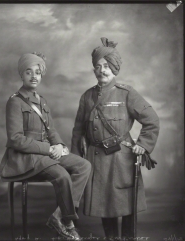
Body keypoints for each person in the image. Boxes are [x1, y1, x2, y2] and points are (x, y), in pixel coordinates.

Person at [71, 38, 160, 239]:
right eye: (97, 66)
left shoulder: (127, 93)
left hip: (122, 159)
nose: (102, 70)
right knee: (104, 204)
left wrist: (143, 145)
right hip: (97, 159)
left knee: (127, 203)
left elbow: (152, 120)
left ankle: (129, 238)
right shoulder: (87, 97)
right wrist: (75, 162)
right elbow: (78, 131)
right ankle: (111, 239)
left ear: (114, 68)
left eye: (106, 66)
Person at [0, 52, 91, 240]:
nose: (34, 76)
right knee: (62, 174)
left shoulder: (42, 101)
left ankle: (58, 216)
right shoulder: (14, 102)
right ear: (21, 75)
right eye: (29, 72)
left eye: (38, 73)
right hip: (24, 158)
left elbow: (51, 130)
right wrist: (49, 149)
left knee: (84, 165)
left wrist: (58, 145)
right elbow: (16, 139)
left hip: (44, 155)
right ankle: (68, 222)